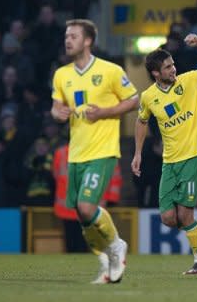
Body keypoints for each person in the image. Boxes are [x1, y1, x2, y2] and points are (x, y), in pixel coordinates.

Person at [50, 19, 138, 284]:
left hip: (103, 150)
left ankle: (116, 246)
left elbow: (135, 100)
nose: (68, 40)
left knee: (87, 207)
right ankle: (107, 266)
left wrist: (105, 112)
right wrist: (58, 113)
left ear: (88, 41)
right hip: (76, 153)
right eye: (66, 36)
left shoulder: (110, 70)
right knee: (82, 216)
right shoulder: (61, 74)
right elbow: (55, 108)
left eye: (74, 36)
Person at [131, 35, 197, 275]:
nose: (174, 69)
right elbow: (141, 122)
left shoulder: (191, 80)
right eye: (167, 67)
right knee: (168, 218)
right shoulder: (148, 97)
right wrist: (138, 153)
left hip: (193, 157)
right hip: (169, 162)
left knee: (185, 215)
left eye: (173, 64)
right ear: (155, 73)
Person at [52, 143, 123, 253]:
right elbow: (114, 177)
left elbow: (56, 174)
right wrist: (111, 199)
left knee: (74, 242)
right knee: (90, 241)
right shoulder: (105, 152)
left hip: (70, 205)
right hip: (90, 205)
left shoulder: (61, 152)